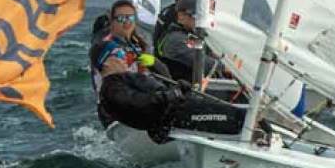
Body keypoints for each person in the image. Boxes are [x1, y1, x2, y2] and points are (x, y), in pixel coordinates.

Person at [96, 51, 246, 143]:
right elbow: (138, 103)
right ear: (105, 63)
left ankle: (251, 131)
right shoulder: (111, 89)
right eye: (119, 55)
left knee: (238, 115)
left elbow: (164, 85)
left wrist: (156, 65)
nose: (124, 58)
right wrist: (171, 94)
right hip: (173, 119)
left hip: (180, 109)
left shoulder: (125, 79)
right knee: (238, 119)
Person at [88, 0, 148, 104]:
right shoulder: (108, 46)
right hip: (115, 105)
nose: (127, 22)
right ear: (112, 21)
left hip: (136, 100)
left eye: (131, 17)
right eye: (121, 18)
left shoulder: (137, 44)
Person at [152, 0, 206, 84]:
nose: (199, 21)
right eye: (196, 16)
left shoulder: (193, 37)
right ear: (181, 15)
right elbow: (201, 61)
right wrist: (224, 66)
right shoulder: (176, 39)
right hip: (179, 90)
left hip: (194, 88)